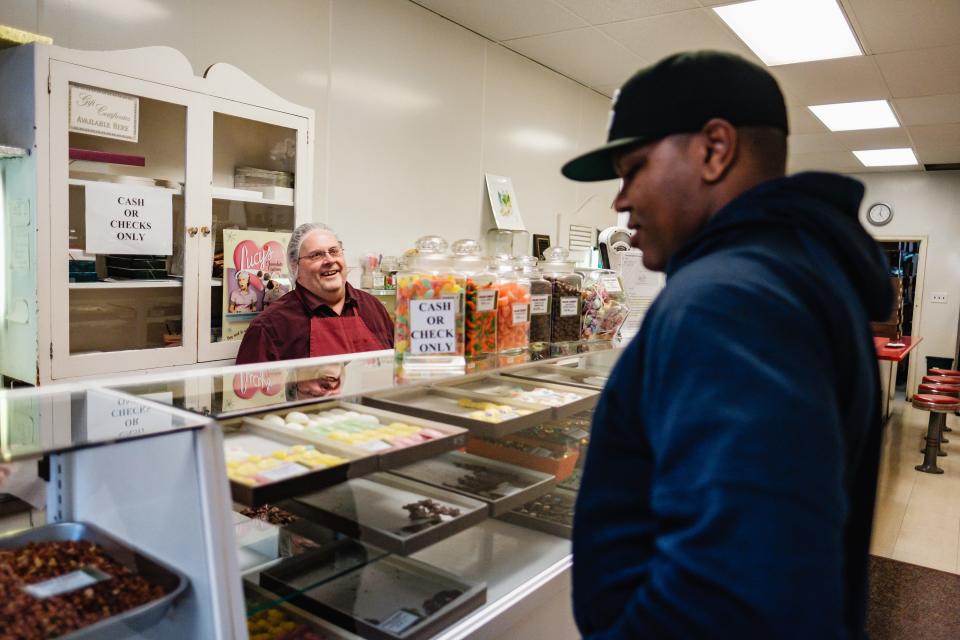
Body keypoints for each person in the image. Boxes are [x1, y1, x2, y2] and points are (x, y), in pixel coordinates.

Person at [561, 51, 892, 638]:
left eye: (633, 167)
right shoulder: (792, 270)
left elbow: (733, 598)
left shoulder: (728, 300)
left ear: (715, 149)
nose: (620, 200)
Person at [236, 223, 393, 364]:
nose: (329, 260)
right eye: (316, 255)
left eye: (334, 251)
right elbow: (254, 394)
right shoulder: (269, 326)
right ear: (294, 266)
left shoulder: (373, 307)